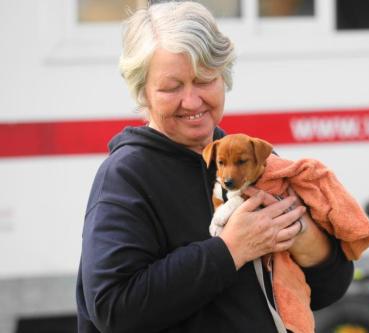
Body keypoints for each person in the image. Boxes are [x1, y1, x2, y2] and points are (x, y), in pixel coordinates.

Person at [76, 2, 353, 332]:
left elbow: (328, 289)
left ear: (225, 77)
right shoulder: (125, 177)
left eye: (205, 79)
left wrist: (303, 236)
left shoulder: (251, 159)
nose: (192, 101)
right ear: (143, 92)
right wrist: (231, 249)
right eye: (171, 87)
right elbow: (113, 309)